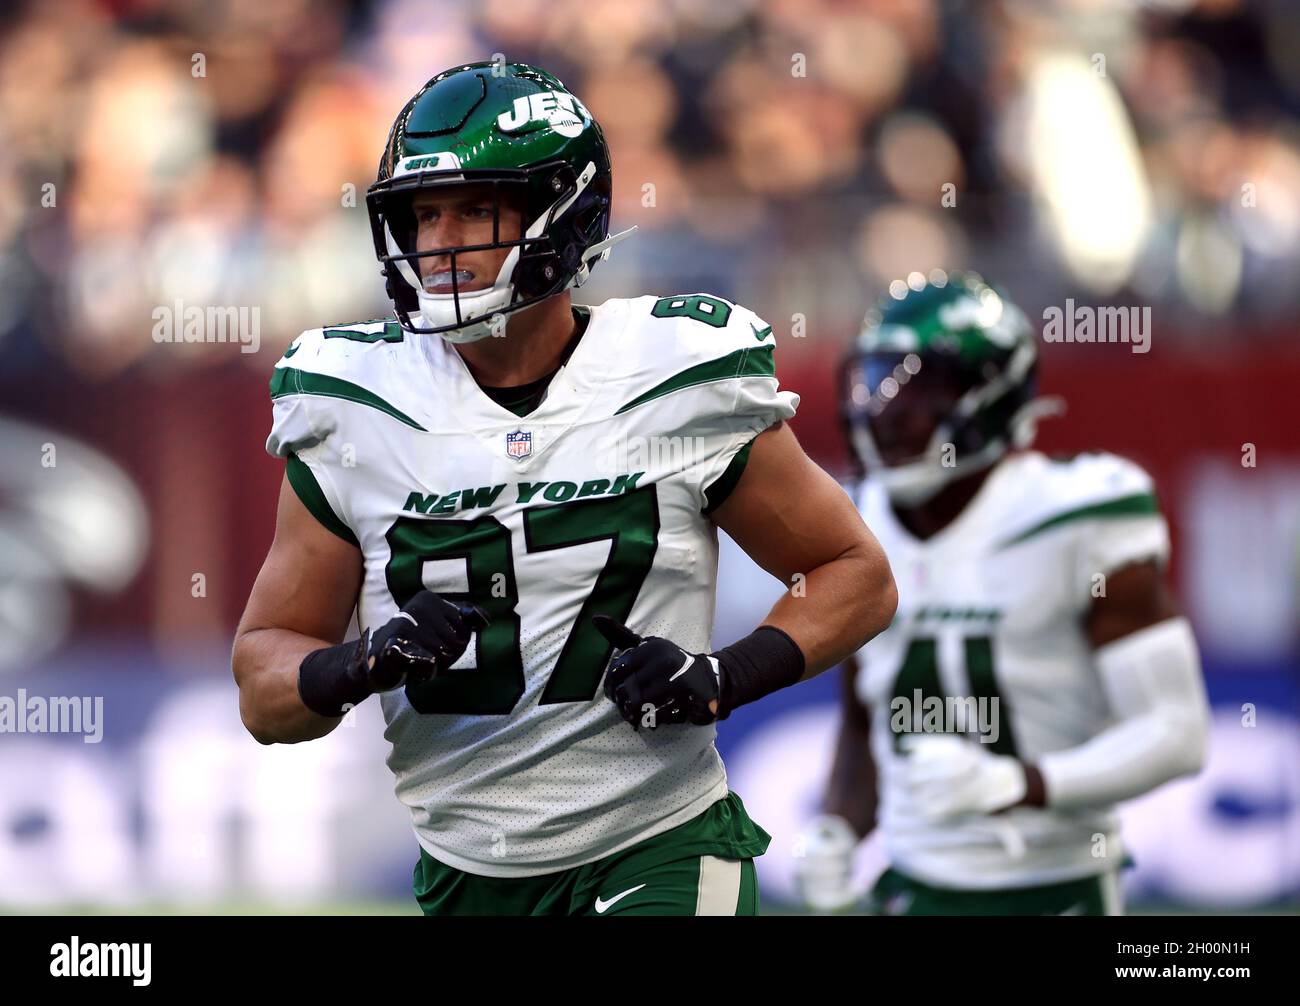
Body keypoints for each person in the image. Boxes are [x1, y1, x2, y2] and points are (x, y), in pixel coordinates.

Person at [231, 61, 897, 916]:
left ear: (564, 210)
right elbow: (263, 684)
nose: (440, 242)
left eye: (475, 209)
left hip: (658, 842)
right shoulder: (355, 405)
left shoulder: (673, 374)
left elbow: (854, 572)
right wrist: (360, 663)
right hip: (465, 867)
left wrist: (724, 675)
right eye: (423, 214)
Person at [796, 271, 1209, 916]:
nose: (886, 411)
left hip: (1055, 888)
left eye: (918, 388)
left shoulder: (1076, 515)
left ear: (991, 394)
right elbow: (863, 719)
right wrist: (838, 827)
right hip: (911, 887)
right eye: (876, 383)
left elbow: (1177, 733)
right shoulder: (854, 521)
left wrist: (1022, 783)